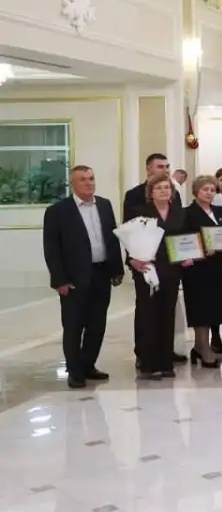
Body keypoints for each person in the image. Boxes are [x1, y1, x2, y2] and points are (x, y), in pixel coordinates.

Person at [42, 165, 123, 389]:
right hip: (74, 277)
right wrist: (59, 280)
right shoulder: (57, 211)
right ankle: (74, 370)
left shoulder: (105, 205)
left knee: (97, 324)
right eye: (83, 180)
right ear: (72, 184)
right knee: (74, 325)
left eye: (91, 178)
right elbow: (52, 249)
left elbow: (111, 239)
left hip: (101, 272)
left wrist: (117, 269)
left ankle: (88, 364)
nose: (89, 183)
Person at [129, 173, 187, 380]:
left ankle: (165, 362)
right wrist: (133, 260)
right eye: (159, 188)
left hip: (172, 270)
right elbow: (130, 241)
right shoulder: (140, 213)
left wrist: (188, 256)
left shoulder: (179, 213)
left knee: (167, 314)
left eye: (167, 188)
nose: (164, 191)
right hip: (148, 270)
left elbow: (185, 239)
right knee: (148, 315)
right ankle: (148, 364)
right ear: (151, 193)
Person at [181, 175, 222, 368]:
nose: (209, 193)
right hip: (198, 268)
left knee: (214, 307)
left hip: (219, 266)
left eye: (212, 190)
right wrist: (201, 249)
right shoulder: (187, 213)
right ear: (196, 192)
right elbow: (183, 239)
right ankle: (203, 348)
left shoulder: (220, 211)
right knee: (200, 308)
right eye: (205, 189)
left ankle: (200, 347)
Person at [124, 153, 181, 222]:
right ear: (148, 169)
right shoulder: (134, 194)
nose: (166, 170)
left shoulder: (175, 193)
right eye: (160, 167)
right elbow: (128, 226)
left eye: (167, 166)